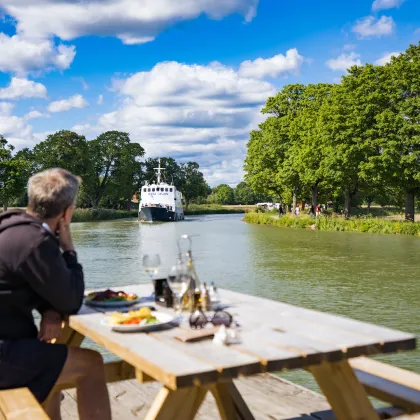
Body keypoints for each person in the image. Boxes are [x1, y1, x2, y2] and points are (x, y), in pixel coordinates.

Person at [0, 168, 111, 420]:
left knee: (53, 369)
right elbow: (71, 301)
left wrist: (50, 310)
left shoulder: (9, 224)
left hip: (9, 343)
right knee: (91, 365)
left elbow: (25, 281)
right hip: (4, 353)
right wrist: (69, 250)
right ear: (67, 211)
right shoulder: (36, 241)